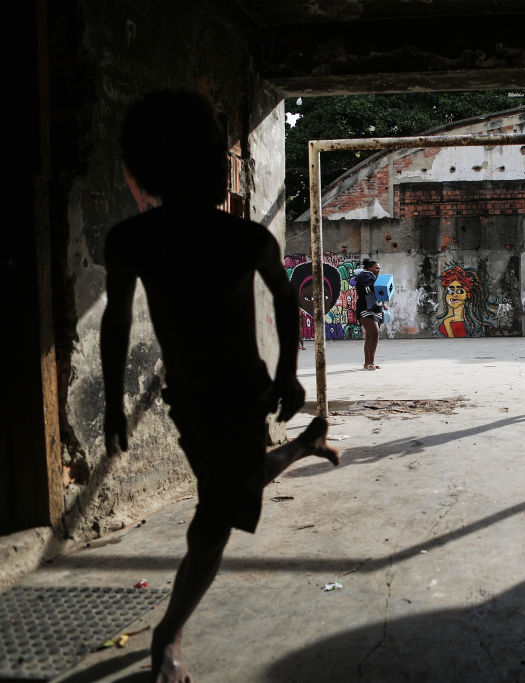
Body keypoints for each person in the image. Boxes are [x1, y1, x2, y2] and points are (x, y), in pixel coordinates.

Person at [101, 90, 339, 683]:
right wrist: (111, 402)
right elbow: (116, 321)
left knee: (213, 519)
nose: (217, 169)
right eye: (209, 157)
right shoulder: (142, 241)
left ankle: (167, 638)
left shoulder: (240, 240)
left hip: (241, 394)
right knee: (227, 498)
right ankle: (301, 448)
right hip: (193, 398)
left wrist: (285, 373)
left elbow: (287, 303)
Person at [355, 258, 386, 369]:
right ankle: (370, 363)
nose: (379, 269)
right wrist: (375, 286)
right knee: (374, 333)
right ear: (369, 268)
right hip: (365, 310)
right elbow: (361, 292)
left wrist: (383, 303)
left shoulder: (375, 279)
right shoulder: (362, 278)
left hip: (377, 310)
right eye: (376, 267)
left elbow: (377, 295)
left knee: (370, 336)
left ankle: (368, 363)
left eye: (379, 268)